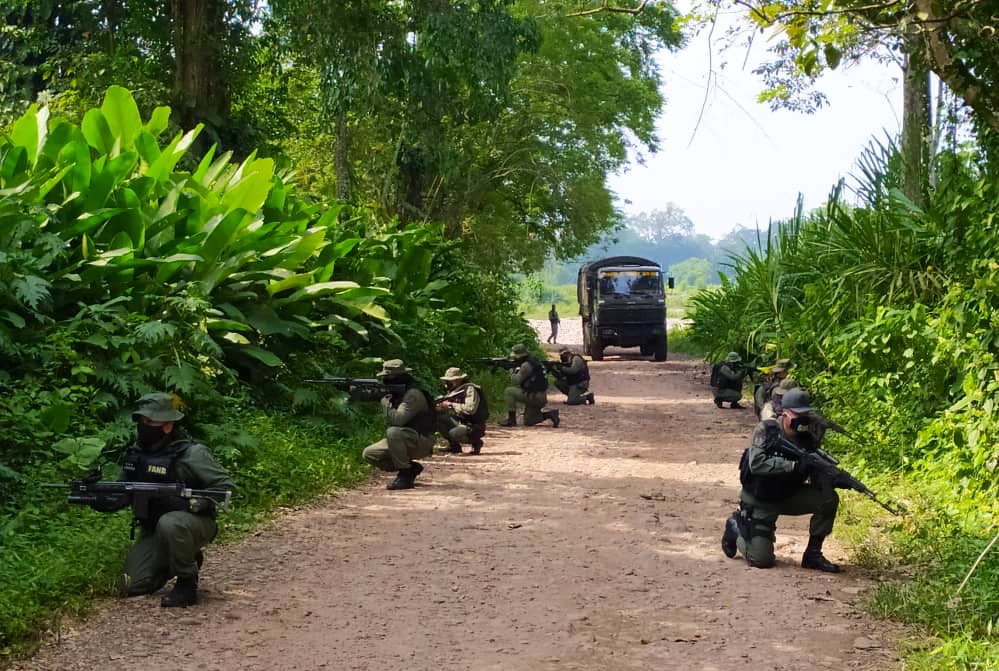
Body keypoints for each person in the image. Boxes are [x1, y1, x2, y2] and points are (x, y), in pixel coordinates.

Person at [118, 393, 235, 607]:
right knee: (132, 585)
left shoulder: (191, 453)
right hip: (153, 530)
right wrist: (99, 498)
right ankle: (182, 558)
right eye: (142, 422)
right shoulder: (136, 455)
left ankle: (186, 582)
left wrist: (197, 502)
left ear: (168, 426)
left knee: (171, 522)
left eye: (150, 422)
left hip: (193, 523)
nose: (144, 427)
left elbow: (224, 485)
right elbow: (121, 491)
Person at [721, 388, 843, 573]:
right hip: (760, 499)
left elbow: (813, 466)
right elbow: (757, 464)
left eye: (805, 414)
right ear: (785, 413)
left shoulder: (807, 437)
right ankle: (736, 527)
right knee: (761, 560)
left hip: (788, 495)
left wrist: (829, 477)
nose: (802, 418)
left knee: (828, 498)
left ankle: (813, 554)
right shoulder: (767, 430)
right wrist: (793, 466)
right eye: (798, 414)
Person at [362, 359, 436, 490]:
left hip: (422, 440)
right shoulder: (398, 393)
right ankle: (411, 468)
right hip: (406, 438)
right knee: (370, 453)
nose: (385, 380)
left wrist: (384, 402)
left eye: (388, 377)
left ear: (398, 376)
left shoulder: (413, 394)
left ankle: (405, 475)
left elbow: (398, 420)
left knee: (393, 431)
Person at [499, 344, 560, 428]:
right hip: (540, 396)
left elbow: (515, 381)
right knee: (529, 421)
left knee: (509, 391)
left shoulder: (526, 365)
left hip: (535, 396)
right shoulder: (534, 362)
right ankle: (550, 415)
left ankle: (511, 420)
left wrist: (511, 371)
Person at [436, 367, 488, 455]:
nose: (448, 382)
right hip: (461, 421)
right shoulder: (454, 390)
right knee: (438, 418)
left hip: (474, 425)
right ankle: (454, 447)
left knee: (454, 433)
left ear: (459, 379)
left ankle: (476, 442)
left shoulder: (470, 389)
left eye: (451, 380)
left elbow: (470, 409)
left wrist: (450, 405)